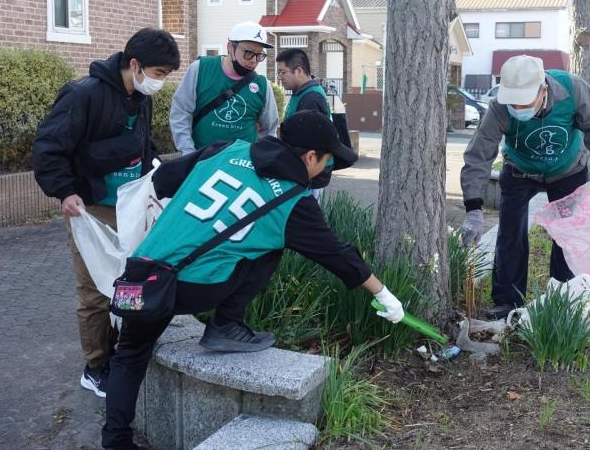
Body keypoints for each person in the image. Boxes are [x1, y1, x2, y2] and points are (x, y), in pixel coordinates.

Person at [101, 110, 404, 449]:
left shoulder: (225, 149)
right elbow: (337, 255)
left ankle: (115, 440)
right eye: (327, 161)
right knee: (269, 245)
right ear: (309, 157)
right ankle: (226, 324)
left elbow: (164, 180)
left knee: (129, 354)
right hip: (196, 288)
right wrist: (384, 294)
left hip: (144, 275)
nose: (326, 169)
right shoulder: (292, 200)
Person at [32, 29, 181, 398]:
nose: (160, 82)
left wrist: (156, 175)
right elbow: (48, 147)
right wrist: (65, 191)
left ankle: (121, 353)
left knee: (129, 283)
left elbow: (143, 145)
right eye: (158, 74)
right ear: (135, 64)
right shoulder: (83, 95)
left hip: (131, 206)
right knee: (95, 291)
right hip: (91, 207)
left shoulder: (140, 98)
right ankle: (95, 365)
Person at [460, 55, 590, 320]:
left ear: (543, 90)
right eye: (514, 104)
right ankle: (507, 301)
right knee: (510, 233)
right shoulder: (499, 108)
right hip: (519, 169)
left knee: (568, 236)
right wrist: (473, 208)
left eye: (525, 103)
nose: (518, 108)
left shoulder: (573, 90)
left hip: (568, 169)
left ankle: (563, 298)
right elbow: (479, 154)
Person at [170, 21, 278, 155]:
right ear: (230, 47)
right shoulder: (200, 69)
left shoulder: (262, 85)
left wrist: (259, 157)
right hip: (202, 161)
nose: (254, 60)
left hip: (243, 163)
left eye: (259, 55)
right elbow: (181, 112)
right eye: (248, 53)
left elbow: (269, 130)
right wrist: (188, 153)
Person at [275, 48, 335, 195]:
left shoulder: (311, 99)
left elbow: (307, 143)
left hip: (311, 172)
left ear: (299, 71)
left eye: (282, 72)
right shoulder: (302, 93)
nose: (280, 77)